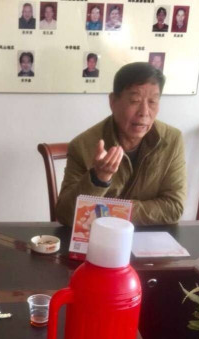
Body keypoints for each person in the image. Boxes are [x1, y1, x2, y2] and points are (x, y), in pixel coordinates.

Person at [56, 62, 186, 226]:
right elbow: (65, 215)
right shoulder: (83, 145)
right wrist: (98, 179)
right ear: (113, 102)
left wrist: (111, 211)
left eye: (153, 102)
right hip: (99, 236)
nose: (144, 112)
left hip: (147, 237)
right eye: (135, 100)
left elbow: (174, 207)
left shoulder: (172, 139)